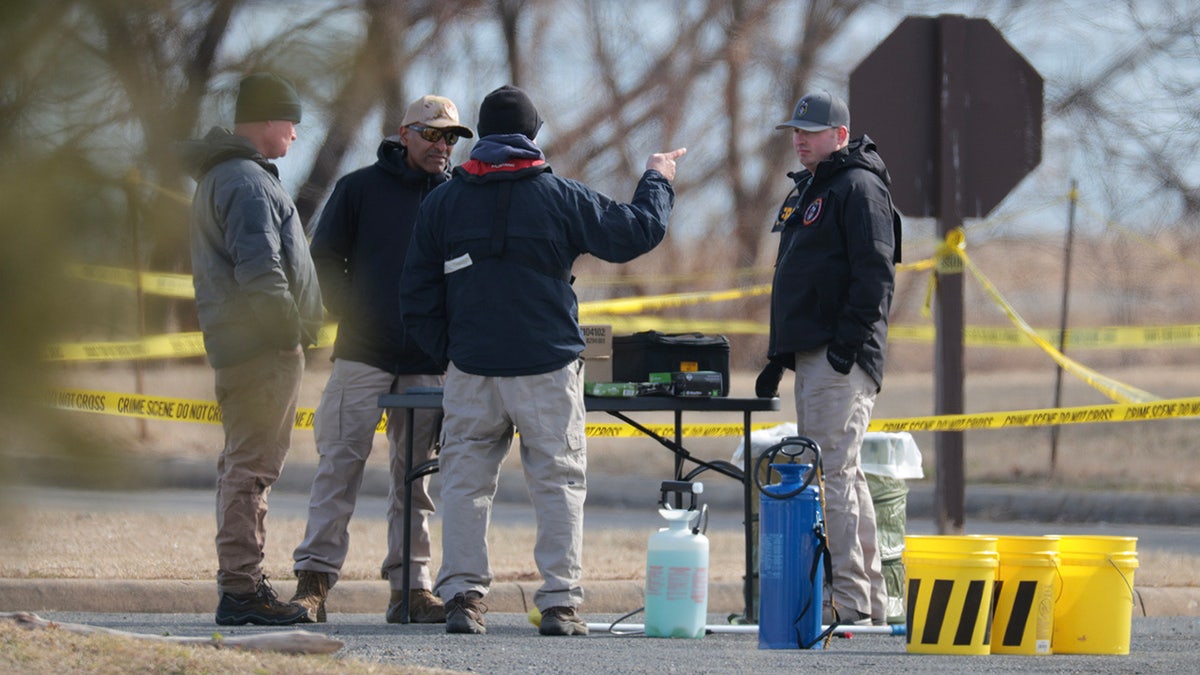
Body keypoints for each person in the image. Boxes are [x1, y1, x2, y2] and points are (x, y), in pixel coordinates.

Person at [400, 85, 686, 636]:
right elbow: (636, 232)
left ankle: (462, 598)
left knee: (462, 481)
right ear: (533, 136)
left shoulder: (444, 200)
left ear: (482, 135)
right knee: (557, 481)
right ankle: (559, 604)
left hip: (473, 368)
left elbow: (415, 290)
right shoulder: (562, 196)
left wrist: (449, 352)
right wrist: (657, 179)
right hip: (548, 367)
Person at [288, 95, 474, 624]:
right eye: (433, 134)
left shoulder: (457, 197)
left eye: (452, 137)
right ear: (404, 133)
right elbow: (322, 261)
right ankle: (314, 583)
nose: (443, 146)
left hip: (425, 359)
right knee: (338, 467)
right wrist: (358, 312)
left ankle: (411, 591)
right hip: (361, 354)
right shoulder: (357, 189)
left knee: (415, 480)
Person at [180, 72, 324, 626]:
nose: (295, 133)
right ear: (266, 121)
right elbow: (261, 270)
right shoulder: (245, 182)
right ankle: (241, 590)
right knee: (251, 469)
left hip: (247, 348)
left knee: (243, 465)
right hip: (263, 349)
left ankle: (241, 584)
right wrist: (287, 332)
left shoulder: (230, 176)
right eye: (291, 122)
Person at [755, 90, 901, 627]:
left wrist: (844, 346)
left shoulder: (859, 187)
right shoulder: (817, 187)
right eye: (795, 131)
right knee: (845, 474)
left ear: (840, 135)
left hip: (840, 360)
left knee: (830, 476)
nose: (799, 139)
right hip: (816, 356)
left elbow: (876, 275)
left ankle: (852, 601)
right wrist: (782, 353)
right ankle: (867, 604)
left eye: (810, 131)